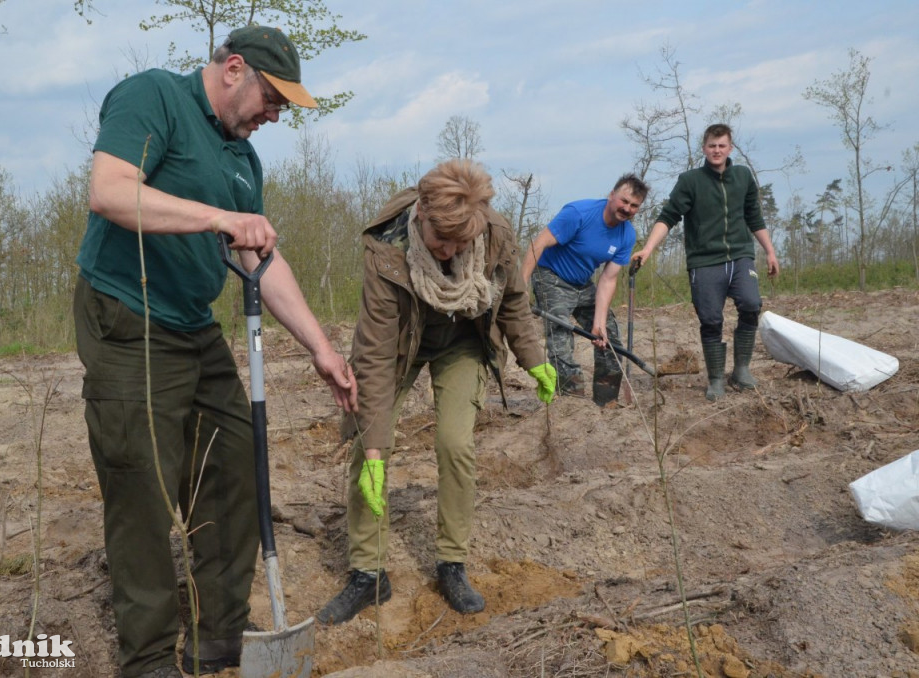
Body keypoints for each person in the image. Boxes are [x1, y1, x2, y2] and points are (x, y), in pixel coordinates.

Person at [72, 26, 357, 678]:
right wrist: (217, 218)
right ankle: (147, 659)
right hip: (126, 317)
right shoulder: (154, 99)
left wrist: (320, 348)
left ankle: (219, 636)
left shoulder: (241, 160)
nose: (275, 116)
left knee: (233, 465)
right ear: (235, 70)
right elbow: (110, 190)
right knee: (142, 487)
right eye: (273, 99)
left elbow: (260, 257)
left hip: (193, 327)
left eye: (285, 107)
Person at [317, 159, 557, 625]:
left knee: (455, 442)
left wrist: (535, 361)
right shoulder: (386, 246)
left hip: (464, 342)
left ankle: (452, 563)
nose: (448, 252)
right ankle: (369, 572)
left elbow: (512, 304)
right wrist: (372, 448)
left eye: (460, 243)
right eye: (440, 241)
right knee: (370, 455)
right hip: (401, 345)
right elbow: (375, 356)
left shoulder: (495, 236)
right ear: (422, 214)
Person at [631, 123, 779, 401]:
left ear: (730, 148)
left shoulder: (743, 177)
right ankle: (715, 380)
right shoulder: (690, 181)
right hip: (704, 261)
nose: (717, 150)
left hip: (740, 255)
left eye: (722, 145)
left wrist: (769, 251)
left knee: (751, 304)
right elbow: (668, 217)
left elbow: (754, 218)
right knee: (710, 319)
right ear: (704, 148)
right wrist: (648, 249)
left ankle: (742, 370)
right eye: (712, 145)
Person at [521, 174, 649, 406]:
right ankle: (571, 402)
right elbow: (538, 243)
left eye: (634, 206)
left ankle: (606, 401)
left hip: (583, 283)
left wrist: (598, 322)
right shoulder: (579, 213)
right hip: (551, 276)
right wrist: (521, 284)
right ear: (611, 195)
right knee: (560, 334)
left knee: (609, 335)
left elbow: (609, 279)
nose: (627, 209)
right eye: (624, 201)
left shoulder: (627, 235)